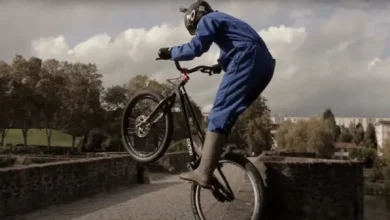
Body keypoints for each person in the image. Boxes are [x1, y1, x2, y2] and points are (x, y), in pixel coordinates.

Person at [157, 0, 276, 188]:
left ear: (195, 16)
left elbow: (196, 48)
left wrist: (170, 52)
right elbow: (237, 44)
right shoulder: (225, 19)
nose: (198, 31)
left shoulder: (208, 19)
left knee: (219, 112)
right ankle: (217, 152)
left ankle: (203, 172)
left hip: (248, 59)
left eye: (195, 29)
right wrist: (219, 64)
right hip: (265, 64)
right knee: (229, 113)